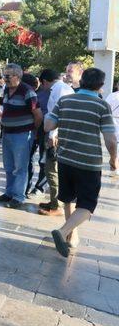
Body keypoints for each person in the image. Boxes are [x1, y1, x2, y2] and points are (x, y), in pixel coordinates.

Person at [45, 68, 118, 257]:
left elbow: (48, 126)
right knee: (87, 205)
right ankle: (62, 232)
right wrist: (114, 159)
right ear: (101, 86)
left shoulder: (64, 100)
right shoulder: (101, 106)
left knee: (68, 198)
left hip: (65, 158)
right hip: (88, 162)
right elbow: (110, 139)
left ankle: (71, 235)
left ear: (82, 80)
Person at [0, 64, 43, 209]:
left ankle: (18, 197)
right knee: (8, 166)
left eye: (8, 76)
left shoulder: (28, 91)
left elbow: (38, 115)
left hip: (22, 135)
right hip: (7, 133)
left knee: (20, 167)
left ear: (18, 76)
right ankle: (9, 193)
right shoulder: (7, 90)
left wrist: (32, 131)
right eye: (4, 76)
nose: (5, 79)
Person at [38, 68, 75, 216]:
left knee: (52, 169)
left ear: (45, 81)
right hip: (59, 133)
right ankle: (54, 201)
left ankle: (57, 205)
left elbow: (59, 114)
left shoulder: (58, 90)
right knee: (52, 168)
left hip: (57, 135)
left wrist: (52, 134)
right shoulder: (63, 88)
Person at [27, 70, 54, 198]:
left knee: (44, 161)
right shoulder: (37, 93)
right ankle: (26, 185)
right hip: (34, 130)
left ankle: (40, 187)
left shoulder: (56, 93)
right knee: (29, 159)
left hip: (46, 131)